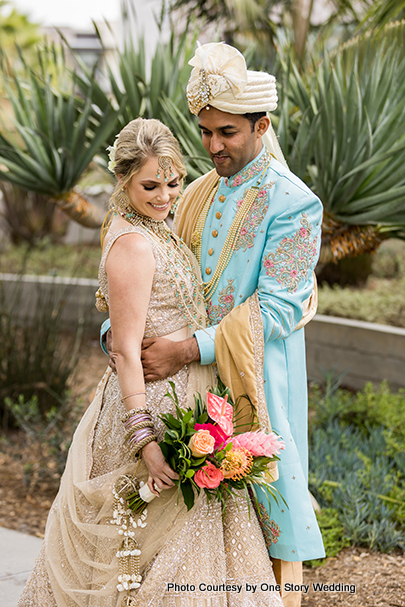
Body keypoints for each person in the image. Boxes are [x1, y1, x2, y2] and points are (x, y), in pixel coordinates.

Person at [18, 117, 285, 607]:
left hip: (186, 396)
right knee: (141, 556)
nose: (165, 195)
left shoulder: (151, 225)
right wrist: (145, 443)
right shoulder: (134, 244)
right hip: (153, 409)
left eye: (173, 182)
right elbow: (124, 348)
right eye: (150, 185)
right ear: (122, 181)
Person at [104, 43, 325, 607]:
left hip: (255, 383)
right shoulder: (198, 190)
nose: (213, 146)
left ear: (261, 125)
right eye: (205, 132)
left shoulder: (294, 203)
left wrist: (186, 350)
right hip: (185, 390)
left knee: (269, 520)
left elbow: (278, 306)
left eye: (226, 132)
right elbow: (155, 270)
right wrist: (123, 336)